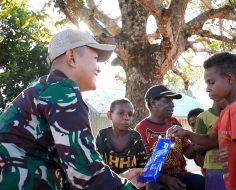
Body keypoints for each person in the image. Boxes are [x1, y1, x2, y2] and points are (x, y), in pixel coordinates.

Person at [0, 28, 146, 189]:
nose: (98, 68)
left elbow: (73, 173)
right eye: (95, 58)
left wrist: (118, 180)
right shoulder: (63, 91)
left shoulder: (44, 88)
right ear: (72, 57)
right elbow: (85, 172)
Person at [167, 52, 236, 190]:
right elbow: (211, 139)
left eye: (211, 82)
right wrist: (186, 133)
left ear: (229, 79)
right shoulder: (227, 112)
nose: (207, 89)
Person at [135, 85, 205, 190]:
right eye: (167, 101)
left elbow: (188, 153)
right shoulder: (140, 129)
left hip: (182, 176)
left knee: (209, 184)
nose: (172, 105)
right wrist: (166, 179)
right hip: (157, 180)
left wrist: (198, 141)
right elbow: (144, 168)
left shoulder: (174, 122)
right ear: (153, 102)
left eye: (172, 101)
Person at [96, 98, 147, 174]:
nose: (126, 118)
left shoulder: (135, 137)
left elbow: (142, 164)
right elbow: (97, 163)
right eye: (121, 113)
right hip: (107, 183)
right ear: (110, 115)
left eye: (130, 114)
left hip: (131, 183)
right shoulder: (103, 135)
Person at [195, 99, 227, 190]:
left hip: (235, 165)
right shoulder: (203, 117)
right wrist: (220, 139)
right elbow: (197, 146)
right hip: (214, 167)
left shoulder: (234, 114)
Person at [187, 108, 206, 176]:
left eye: (199, 123)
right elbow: (189, 155)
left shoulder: (216, 138)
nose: (196, 127)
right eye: (192, 125)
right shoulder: (193, 143)